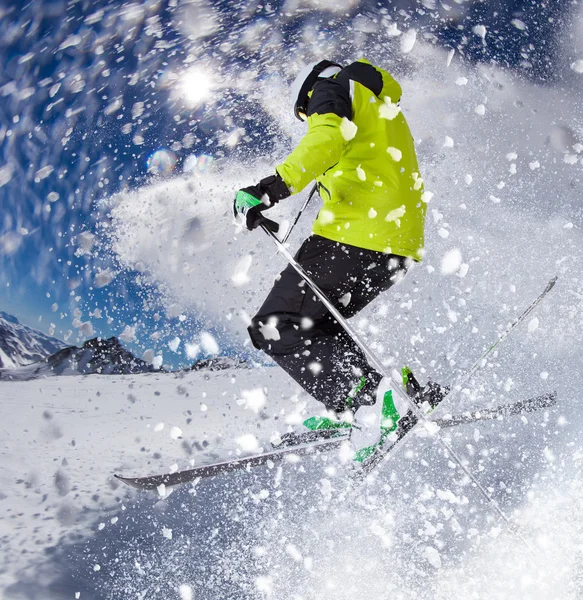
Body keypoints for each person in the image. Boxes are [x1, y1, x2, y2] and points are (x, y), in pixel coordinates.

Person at [234, 58, 436, 460]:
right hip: (397, 243)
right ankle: (375, 401)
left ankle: (372, 403)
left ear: (308, 91)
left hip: (354, 235)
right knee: (317, 324)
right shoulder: (380, 103)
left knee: (275, 325)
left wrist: (268, 189)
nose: (307, 117)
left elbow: (324, 140)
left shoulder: (332, 89)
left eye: (302, 112)